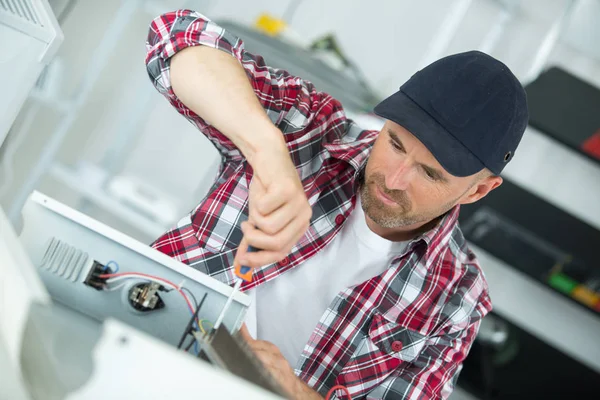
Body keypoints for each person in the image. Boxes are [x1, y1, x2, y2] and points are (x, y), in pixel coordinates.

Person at [145, 9, 528, 400]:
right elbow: (177, 35)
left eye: (430, 174)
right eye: (394, 143)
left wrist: (291, 392)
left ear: (478, 191)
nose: (393, 180)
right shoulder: (309, 130)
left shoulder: (457, 299)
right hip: (140, 348)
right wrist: (268, 150)